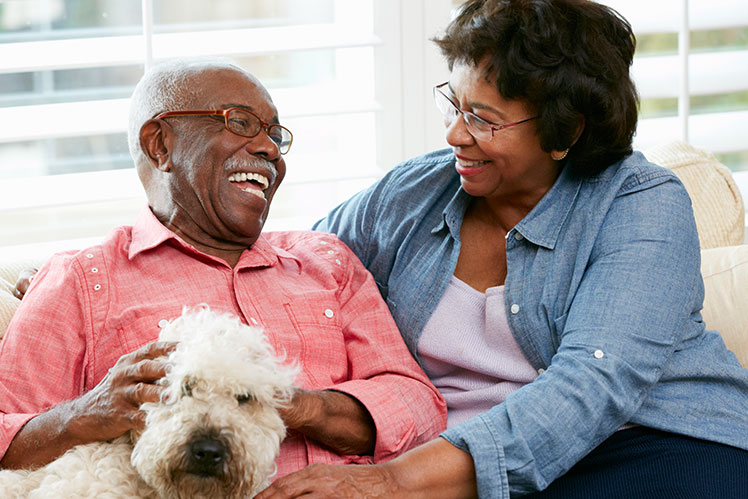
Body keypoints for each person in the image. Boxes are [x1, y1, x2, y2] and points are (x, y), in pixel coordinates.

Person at [257, 0, 748, 497]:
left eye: (481, 119)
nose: (454, 134)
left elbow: (591, 388)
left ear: (566, 130)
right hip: (454, 469)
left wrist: (387, 482)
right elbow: (296, 274)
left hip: (648, 446)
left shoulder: (640, 204)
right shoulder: (412, 194)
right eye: (454, 105)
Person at [0, 59, 446, 476]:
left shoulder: (325, 261)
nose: (269, 148)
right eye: (241, 122)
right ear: (160, 144)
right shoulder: (82, 280)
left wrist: (286, 402)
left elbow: (419, 404)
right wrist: (84, 414)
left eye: (275, 135)